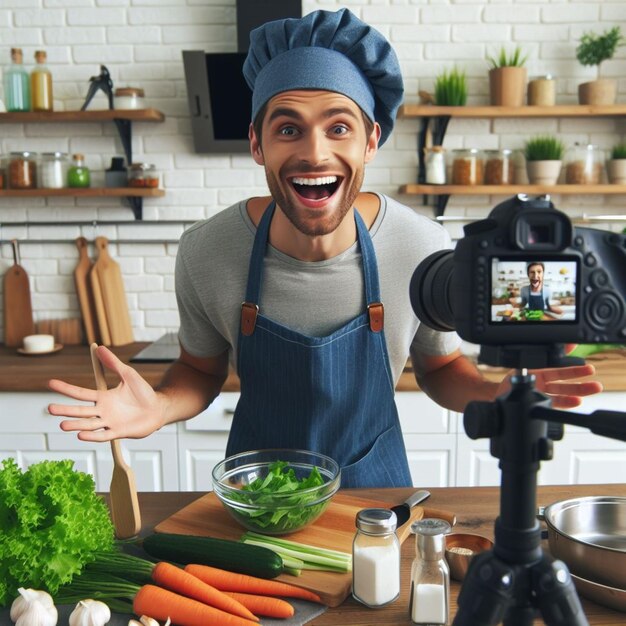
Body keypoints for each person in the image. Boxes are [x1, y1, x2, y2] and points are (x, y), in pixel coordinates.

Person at [47, 9, 601, 488]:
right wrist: (161, 407)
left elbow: (440, 366)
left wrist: (491, 391)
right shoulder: (206, 250)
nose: (315, 153)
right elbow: (200, 369)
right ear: (257, 145)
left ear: (371, 141)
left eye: (339, 128)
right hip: (259, 495)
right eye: (288, 129)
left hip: (376, 498)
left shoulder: (423, 246)